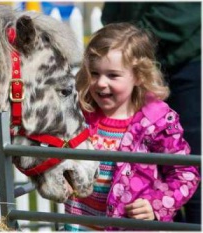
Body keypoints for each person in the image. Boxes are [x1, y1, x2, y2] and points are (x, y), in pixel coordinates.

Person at [68, 22, 200, 231]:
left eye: (113, 75)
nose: (101, 83)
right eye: (94, 73)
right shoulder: (80, 113)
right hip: (81, 224)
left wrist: (155, 205)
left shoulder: (156, 122)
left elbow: (186, 173)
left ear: (139, 75)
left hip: (130, 226)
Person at [100, 3, 202, 224]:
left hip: (185, 61)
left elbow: (184, 11)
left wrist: (129, 42)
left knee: (192, 171)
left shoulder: (160, 115)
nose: (99, 83)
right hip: (131, 59)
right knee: (139, 165)